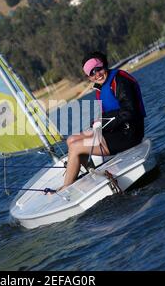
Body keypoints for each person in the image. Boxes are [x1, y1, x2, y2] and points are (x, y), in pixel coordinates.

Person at [57, 51, 146, 192]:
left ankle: (66, 188)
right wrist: (98, 124)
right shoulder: (101, 87)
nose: (97, 74)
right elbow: (110, 116)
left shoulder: (120, 81)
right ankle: (91, 173)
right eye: (92, 73)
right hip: (118, 131)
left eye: (98, 69)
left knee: (76, 147)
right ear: (89, 77)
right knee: (71, 139)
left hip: (130, 134)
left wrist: (102, 124)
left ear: (104, 65)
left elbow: (129, 112)